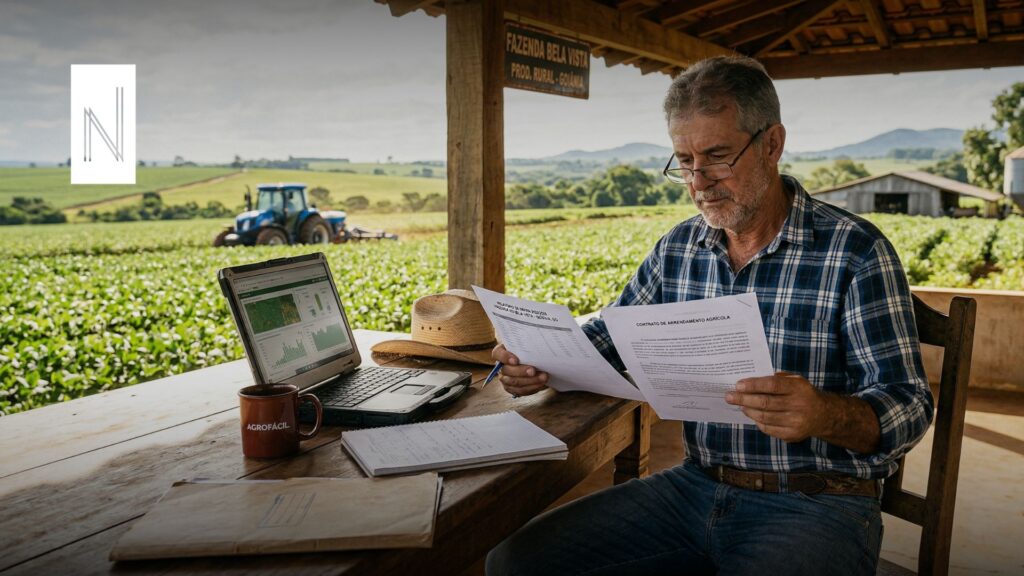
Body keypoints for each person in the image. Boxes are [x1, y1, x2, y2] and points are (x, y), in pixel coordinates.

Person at [485, 56, 933, 576]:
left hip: (817, 502)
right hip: (694, 485)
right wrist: (537, 358)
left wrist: (823, 414)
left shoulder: (855, 252)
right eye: (684, 161)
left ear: (772, 143)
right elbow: (606, 341)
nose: (699, 181)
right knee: (516, 563)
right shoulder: (679, 248)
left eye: (718, 157)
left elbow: (910, 405)